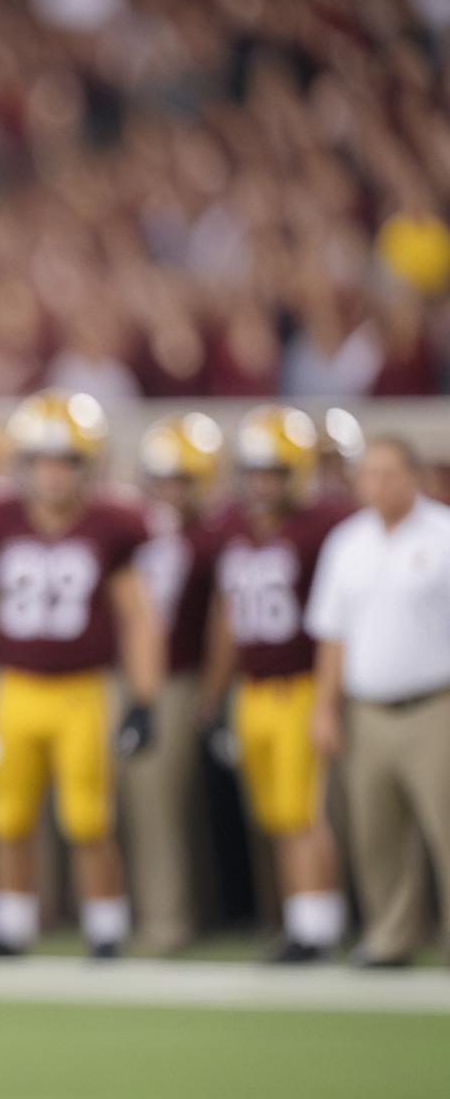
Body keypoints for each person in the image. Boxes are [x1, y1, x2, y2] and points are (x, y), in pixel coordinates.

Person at [0, 390, 163, 959]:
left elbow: (137, 617)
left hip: (82, 689)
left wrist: (143, 697)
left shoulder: (112, 525)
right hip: (15, 686)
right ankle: (11, 925)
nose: (52, 474)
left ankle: (106, 927)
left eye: (64, 461)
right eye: (41, 460)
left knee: (88, 818)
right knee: (7, 815)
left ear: (89, 465)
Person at [200, 406, 351, 961]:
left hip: (300, 685)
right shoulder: (232, 528)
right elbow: (225, 614)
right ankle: (300, 920)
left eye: (275, 472)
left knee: (301, 814)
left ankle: (318, 927)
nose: (263, 483)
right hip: (254, 689)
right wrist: (215, 691)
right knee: (275, 816)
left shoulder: (323, 526)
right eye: (255, 471)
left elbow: (339, 619)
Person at [307, 436, 450, 968]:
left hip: (435, 705)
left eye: (390, 472)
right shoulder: (347, 543)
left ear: (416, 476)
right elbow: (332, 635)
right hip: (367, 710)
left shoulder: (443, 535)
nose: (379, 483)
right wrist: (325, 708)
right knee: (377, 833)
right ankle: (392, 936)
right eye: (370, 473)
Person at [126, 412, 224, 955]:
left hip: (179, 678)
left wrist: (211, 690)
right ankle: (167, 910)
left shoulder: (210, 538)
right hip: (137, 677)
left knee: (162, 804)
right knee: (143, 803)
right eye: (162, 479)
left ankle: (170, 920)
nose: (170, 491)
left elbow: (221, 622)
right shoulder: (136, 529)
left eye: (182, 479)